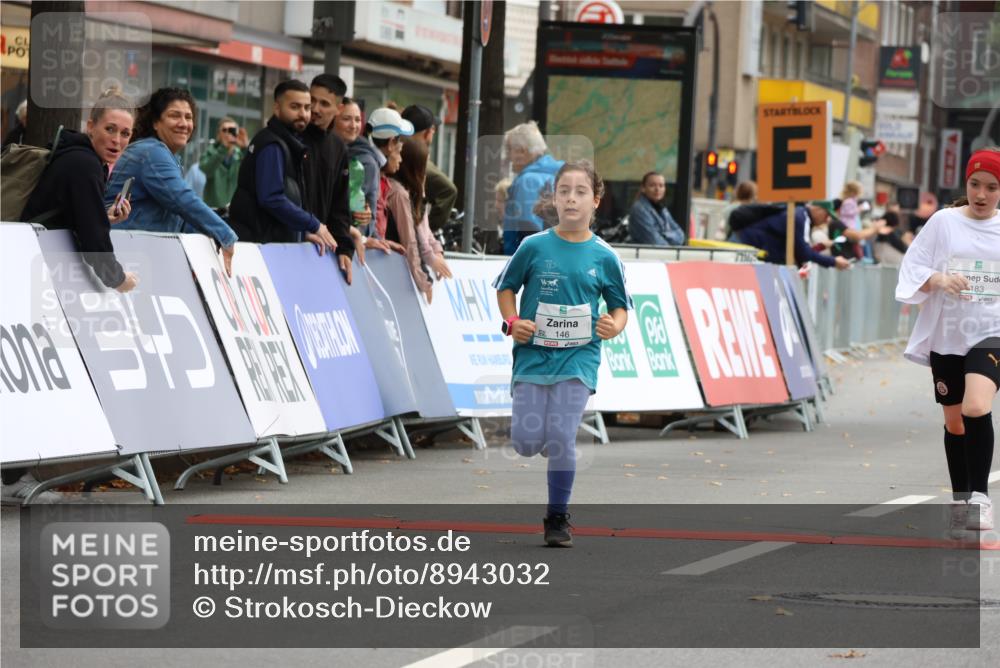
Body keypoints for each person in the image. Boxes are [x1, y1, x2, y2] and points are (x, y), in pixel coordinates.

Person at [4, 89, 138, 505]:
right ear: (91, 126)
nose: (117, 139)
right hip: (26, 284)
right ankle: (11, 480)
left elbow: (78, 219)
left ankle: (12, 476)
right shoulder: (84, 164)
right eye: (110, 129)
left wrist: (104, 215)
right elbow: (93, 243)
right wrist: (119, 280)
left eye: (126, 133)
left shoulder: (81, 160)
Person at [493, 160, 631, 547]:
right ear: (553, 198)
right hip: (533, 357)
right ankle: (540, 445)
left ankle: (558, 518)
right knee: (525, 442)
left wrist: (614, 325)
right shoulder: (533, 246)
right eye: (564, 191)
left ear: (596, 201)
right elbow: (505, 288)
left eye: (580, 191)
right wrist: (512, 321)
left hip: (579, 358)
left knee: (561, 436)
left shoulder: (605, 256)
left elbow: (620, 306)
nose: (571, 198)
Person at [896, 148, 1000, 535]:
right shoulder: (944, 222)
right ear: (966, 184)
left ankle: (980, 499)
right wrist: (938, 279)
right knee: (955, 422)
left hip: (992, 331)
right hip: (949, 331)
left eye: (992, 187)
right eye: (975, 185)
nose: (982, 194)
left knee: (976, 405)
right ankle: (961, 500)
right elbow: (914, 264)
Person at [105, 87, 237, 275]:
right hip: (123, 258)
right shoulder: (152, 152)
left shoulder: (163, 154)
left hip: (138, 258)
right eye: (175, 116)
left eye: (188, 117)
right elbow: (182, 199)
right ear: (155, 122)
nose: (184, 124)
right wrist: (225, 234)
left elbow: (178, 216)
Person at [228, 80, 337, 254]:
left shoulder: (286, 143)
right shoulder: (272, 144)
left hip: (264, 245)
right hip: (256, 250)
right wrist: (313, 224)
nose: (303, 114)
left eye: (307, 108)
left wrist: (302, 233)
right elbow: (271, 198)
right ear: (277, 108)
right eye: (295, 107)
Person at [303, 73, 356, 282]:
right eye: (312, 100)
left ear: (339, 108)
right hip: (290, 242)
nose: (315, 109)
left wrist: (344, 247)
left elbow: (339, 205)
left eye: (324, 103)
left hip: (322, 251)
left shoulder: (338, 147)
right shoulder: (292, 137)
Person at [389, 135, 452, 303]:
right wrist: (425, 279)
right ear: (413, 167)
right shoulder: (399, 194)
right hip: (397, 274)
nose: (427, 171)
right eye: (424, 165)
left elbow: (425, 230)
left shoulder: (416, 191)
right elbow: (411, 239)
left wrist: (437, 252)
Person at [502, 121, 564, 255]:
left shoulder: (527, 180)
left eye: (509, 150)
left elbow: (529, 228)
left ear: (522, 151)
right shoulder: (563, 173)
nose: (508, 157)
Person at [734, 202, 851, 270]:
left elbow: (798, 251)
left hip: (750, 251)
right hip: (744, 248)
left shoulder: (801, 216)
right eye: (826, 215)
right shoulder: (801, 218)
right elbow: (804, 253)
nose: (826, 220)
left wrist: (819, 248)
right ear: (817, 209)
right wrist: (833, 261)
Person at [401, 104, 457, 232]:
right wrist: (427, 231)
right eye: (432, 128)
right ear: (426, 133)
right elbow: (449, 190)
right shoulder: (419, 163)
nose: (434, 132)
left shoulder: (394, 150)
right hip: (409, 239)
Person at [334, 97, 382, 237]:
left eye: (357, 120)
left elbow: (356, 211)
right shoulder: (331, 151)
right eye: (347, 119)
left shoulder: (363, 161)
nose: (353, 125)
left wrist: (372, 240)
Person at [199, 117, 247, 209]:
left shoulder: (240, 154)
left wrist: (245, 149)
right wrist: (223, 149)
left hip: (235, 210)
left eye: (232, 130)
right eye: (225, 130)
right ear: (218, 134)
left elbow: (252, 173)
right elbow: (206, 170)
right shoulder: (210, 151)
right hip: (214, 210)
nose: (228, 133)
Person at [627, 171, 685, 246]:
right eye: (652, 185)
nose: (657, 189)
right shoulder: (639, 209)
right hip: (645, 256)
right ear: (643, 188)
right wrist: (670, 239)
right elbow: (655, 242)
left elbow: (680, 236)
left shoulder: (662, 208)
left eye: (661, 186)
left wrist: (663, 235)